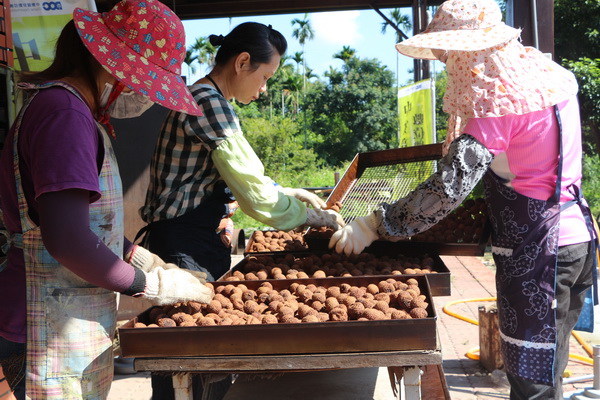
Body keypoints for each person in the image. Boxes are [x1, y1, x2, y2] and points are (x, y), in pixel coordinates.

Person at [329, 0, 596, 398]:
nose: (448, 65)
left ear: (469, 54)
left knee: (532, 383)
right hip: (577, 240)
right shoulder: (551, 77)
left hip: (540, 256)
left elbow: (449, 186)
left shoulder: (498, 104)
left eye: (450, 57)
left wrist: (375, 225)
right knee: (547, 366)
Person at [0, 1, 215, 398]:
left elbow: (90, 226)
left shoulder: (74, 111)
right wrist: (148, 285)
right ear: (114, 67)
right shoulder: (64, 114)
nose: (142, 94)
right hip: (44, 326)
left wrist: (140, 257)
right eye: (144, 81)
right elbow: (66, 239)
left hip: (67, 315)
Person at [137, 21, 344, 400]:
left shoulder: (209, 98)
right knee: (187, 358)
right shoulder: (208, 102)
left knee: (204, 358)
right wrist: (308, 216)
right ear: (243, 61)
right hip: (182, 244)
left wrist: (288, 191)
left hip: (193, 237)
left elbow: (240, 173)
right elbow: (256, 196)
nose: (264, 90)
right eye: (265, 77)